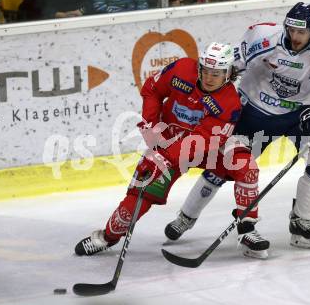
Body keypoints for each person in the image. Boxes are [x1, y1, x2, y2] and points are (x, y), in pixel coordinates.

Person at [165, 2, 310, 250]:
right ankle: (186, 216)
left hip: (301, 114)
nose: (294, 37)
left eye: (301, 32)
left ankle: (301, 222)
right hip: (254, 111)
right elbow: (228, 69)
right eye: (291, 30)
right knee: (226, 165)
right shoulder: (263, 37)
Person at [74, 42, 270, 259]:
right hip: (167, 141)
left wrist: (165, 156)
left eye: (216, 74)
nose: (208, 78)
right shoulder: (181, 70)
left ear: (228, 73)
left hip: (207, 149)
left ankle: (247, 229)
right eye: (205, 71)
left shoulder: (229, 102)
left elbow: (203, 140)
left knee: (245, 165)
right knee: (140, 194)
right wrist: (151, 127)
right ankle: (107, 237)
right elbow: (152, 89)